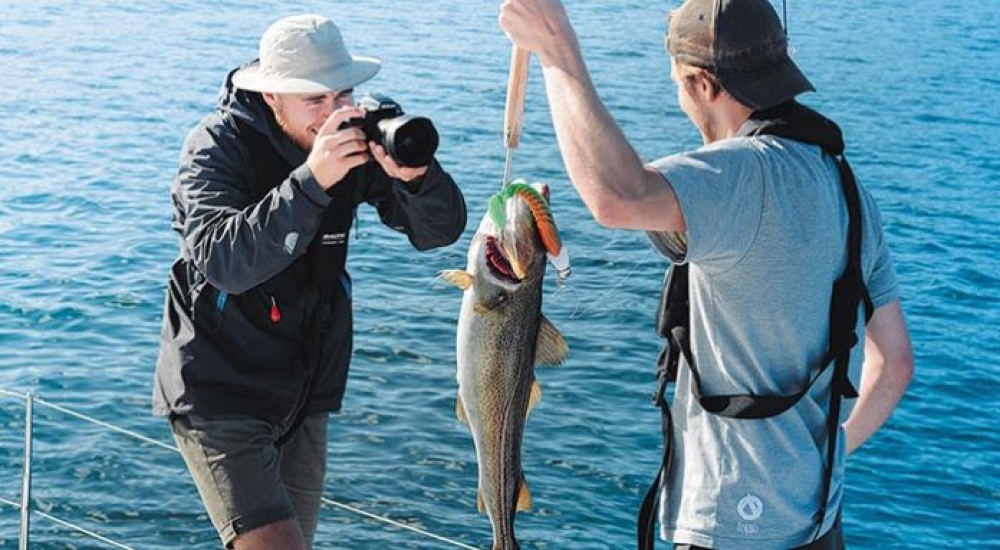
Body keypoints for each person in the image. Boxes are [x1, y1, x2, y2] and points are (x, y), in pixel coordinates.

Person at [499, 0, 914, 548]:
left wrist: (557, 49)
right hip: (818, 518)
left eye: (678, 83)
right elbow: (895, 365)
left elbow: (617, 196)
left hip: (732, 525)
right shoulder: (845, 187)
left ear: (701, 84)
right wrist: (824, 453)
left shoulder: (743, 174)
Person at [152, 14, 466, 549]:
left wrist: (416, 180)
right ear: (272, 96)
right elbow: (222, 259)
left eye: (342, 93)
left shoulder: (351, 141)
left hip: (304, 392)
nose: (334, 113)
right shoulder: (214, 147)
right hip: (220, 389)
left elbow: (439, 232)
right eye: (314, 100)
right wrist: (313, 180)